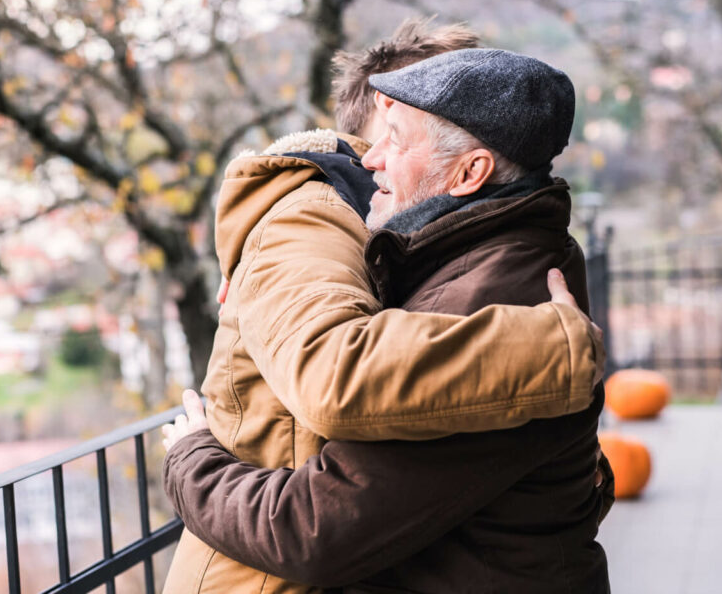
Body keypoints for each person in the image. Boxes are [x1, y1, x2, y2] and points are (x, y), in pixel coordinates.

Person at [162, 48, 612, 593]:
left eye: (396, 139)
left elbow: (311, 530)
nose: (369, 158)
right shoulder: (491, 253)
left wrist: (190, 460)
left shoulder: (488, 302)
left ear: (471, 172)